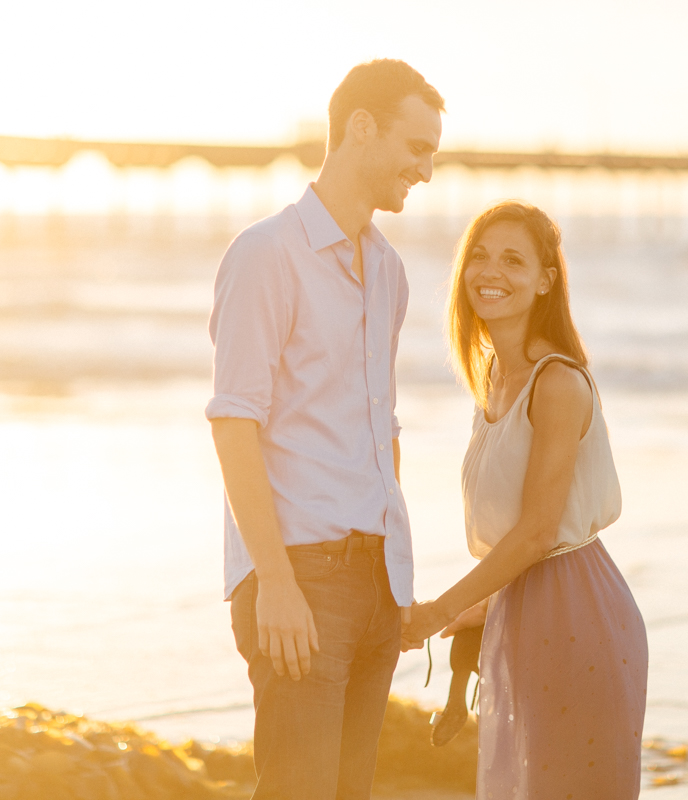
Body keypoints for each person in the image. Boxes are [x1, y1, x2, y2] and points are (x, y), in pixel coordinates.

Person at [206, 60, 443, 799]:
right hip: (300, 576)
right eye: (417, 146)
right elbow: (234, 421)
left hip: (377, 580)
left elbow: (380, 426)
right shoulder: (266, 255)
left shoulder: (389, 272)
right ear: (361, 128)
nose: (427, 171)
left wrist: (396, 569)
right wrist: (272, 580)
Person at [401, 201, 648, 799]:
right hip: (522, 610)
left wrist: (437, 611)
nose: (492, 271)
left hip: (577, 614)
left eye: (514, 260)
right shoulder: (493, 380)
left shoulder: (556, 383)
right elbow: (514, 537)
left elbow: (538, 534)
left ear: (546, 279)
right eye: (480, 257)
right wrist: (476, 611)